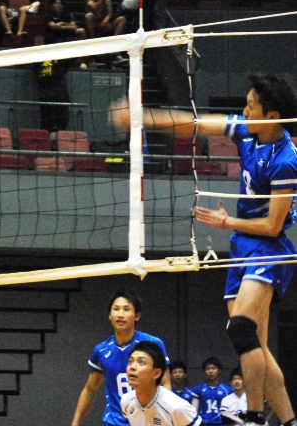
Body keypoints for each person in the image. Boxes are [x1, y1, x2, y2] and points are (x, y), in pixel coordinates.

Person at [111, 73, 297, 426]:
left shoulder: (285, 160)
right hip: (242, 245)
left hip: (268, 248)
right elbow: (193, 124)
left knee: (240, 329)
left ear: (272, 116)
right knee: (255, 344)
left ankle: (253, 417)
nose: (244, 111)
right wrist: (140, 117)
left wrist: (226, 222)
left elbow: (273, 226)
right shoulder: (246, 131)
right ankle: (288, 421)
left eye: (251, 106)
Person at [71, 289, 171, 426]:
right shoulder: (101, 350)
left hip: (146, 421)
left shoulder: (153, 343)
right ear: (110, 315)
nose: (120, 314)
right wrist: (76, 422)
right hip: (114, 422)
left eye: (126, 309)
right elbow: (90, 389)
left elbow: (166, 385)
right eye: (116, 309)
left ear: (137, 315)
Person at [121, 342, 202, 426]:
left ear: (156, 373)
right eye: (130, 361)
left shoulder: (177, 406)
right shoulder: (126, 401)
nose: (132, 367)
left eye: (141, 362)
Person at [192, 357, 232, 426]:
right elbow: (194, 410)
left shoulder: (227, 390)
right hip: (204, 424)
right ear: (205, 371)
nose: (211, 371)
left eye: (213, 368)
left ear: (219, 371)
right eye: (208, 369)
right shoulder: (198, 389)